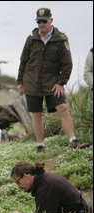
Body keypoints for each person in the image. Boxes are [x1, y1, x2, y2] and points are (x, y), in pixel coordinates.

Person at [17, 8, 90, 153]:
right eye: (39, 21)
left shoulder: (61, 39)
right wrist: (20, 82)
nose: (41, 24)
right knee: (36, 113)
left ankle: (73, 140)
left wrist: (61, 83)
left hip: (52, 82)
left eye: (44, 21)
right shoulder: (31, 39)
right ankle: (40, 145)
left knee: (62, 107)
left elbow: (67, 64)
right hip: (32, 82)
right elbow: (23, 61)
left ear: (51, 20)